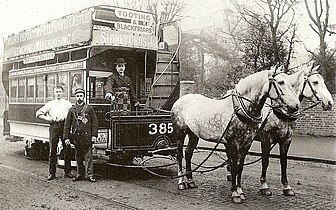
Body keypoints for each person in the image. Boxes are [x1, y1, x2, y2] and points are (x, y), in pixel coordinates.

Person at [36, 86, 73, 181]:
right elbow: (38, 113)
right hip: (54, 126)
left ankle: (68, 171)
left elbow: (73, 115)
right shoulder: (50, 104)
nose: (58, 93)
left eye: (60, 91)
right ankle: (52, 173)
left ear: (63, 92)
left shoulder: (67, 103)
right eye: (56, 92)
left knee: (67, 149)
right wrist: (48, 119)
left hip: (65, 127)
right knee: (52, 149)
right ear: (53, 93)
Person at [63, 88, 98, 182]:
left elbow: (94, 123)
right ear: (75, 97)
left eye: (81, 96)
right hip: (76, 137)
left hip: (87, 136)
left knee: (88, 157)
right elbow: (67, 124)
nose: (79, 98)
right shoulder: (72, 110)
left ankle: (89, 175)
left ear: (84, 97)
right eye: (77, 96)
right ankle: (79, 174)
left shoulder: (89, 109)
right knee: (78, 156)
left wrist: (94, 135)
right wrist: (66, 137)